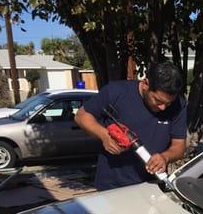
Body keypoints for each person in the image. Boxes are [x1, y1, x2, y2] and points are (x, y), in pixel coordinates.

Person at [75, 61, 187, 191]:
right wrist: (104, 135)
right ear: (146, 84)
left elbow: (179, 146)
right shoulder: (116, 92)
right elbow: (81, 116)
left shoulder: (179, 104)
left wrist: (165, 157)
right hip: (112, 186)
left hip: (152, 186)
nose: (163, 108)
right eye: (158, 101)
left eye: (168, 103)